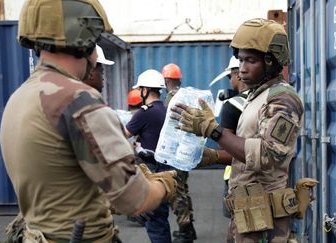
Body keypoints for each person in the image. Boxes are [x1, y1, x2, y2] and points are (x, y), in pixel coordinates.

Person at [0, 1, 177, 242]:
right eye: (95, 43)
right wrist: (164, 184)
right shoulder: (77, 99)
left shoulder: (20, 97)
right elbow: (134, 200)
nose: (95, 56)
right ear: (83, 40)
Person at [171, 18, 317, 243]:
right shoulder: (256, 96)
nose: (242, 69)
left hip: (266, 222)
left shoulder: (282, 100)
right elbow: (246, 153)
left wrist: (212, 130)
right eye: (240, 60)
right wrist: (213, 157)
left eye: (250, 60)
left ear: (271, 61)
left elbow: (267, 154)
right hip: (249, 215)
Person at [124, 69, 174, 243]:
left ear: (145, 90)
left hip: (151, 171)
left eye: (140, 90)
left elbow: (123, 135)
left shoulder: (145, 113)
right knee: (160, 219)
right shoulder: (166, 110)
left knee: (154, 222)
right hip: (166, 171)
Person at [207, 56, 248, 219]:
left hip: (237, 177)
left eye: (230, 76)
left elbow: (226, 150)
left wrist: (210, 156)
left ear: (238, 74)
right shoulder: (266, 101)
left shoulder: (232, 106)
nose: (230, 81)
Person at [162, 63, 197, 243]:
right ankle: (189, 227)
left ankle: (185, 230)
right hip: (186, 150)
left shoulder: (171, 98)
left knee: (177, 192)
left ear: (167, 80)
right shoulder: (186, 95)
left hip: (175, 152)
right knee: (184, 189)